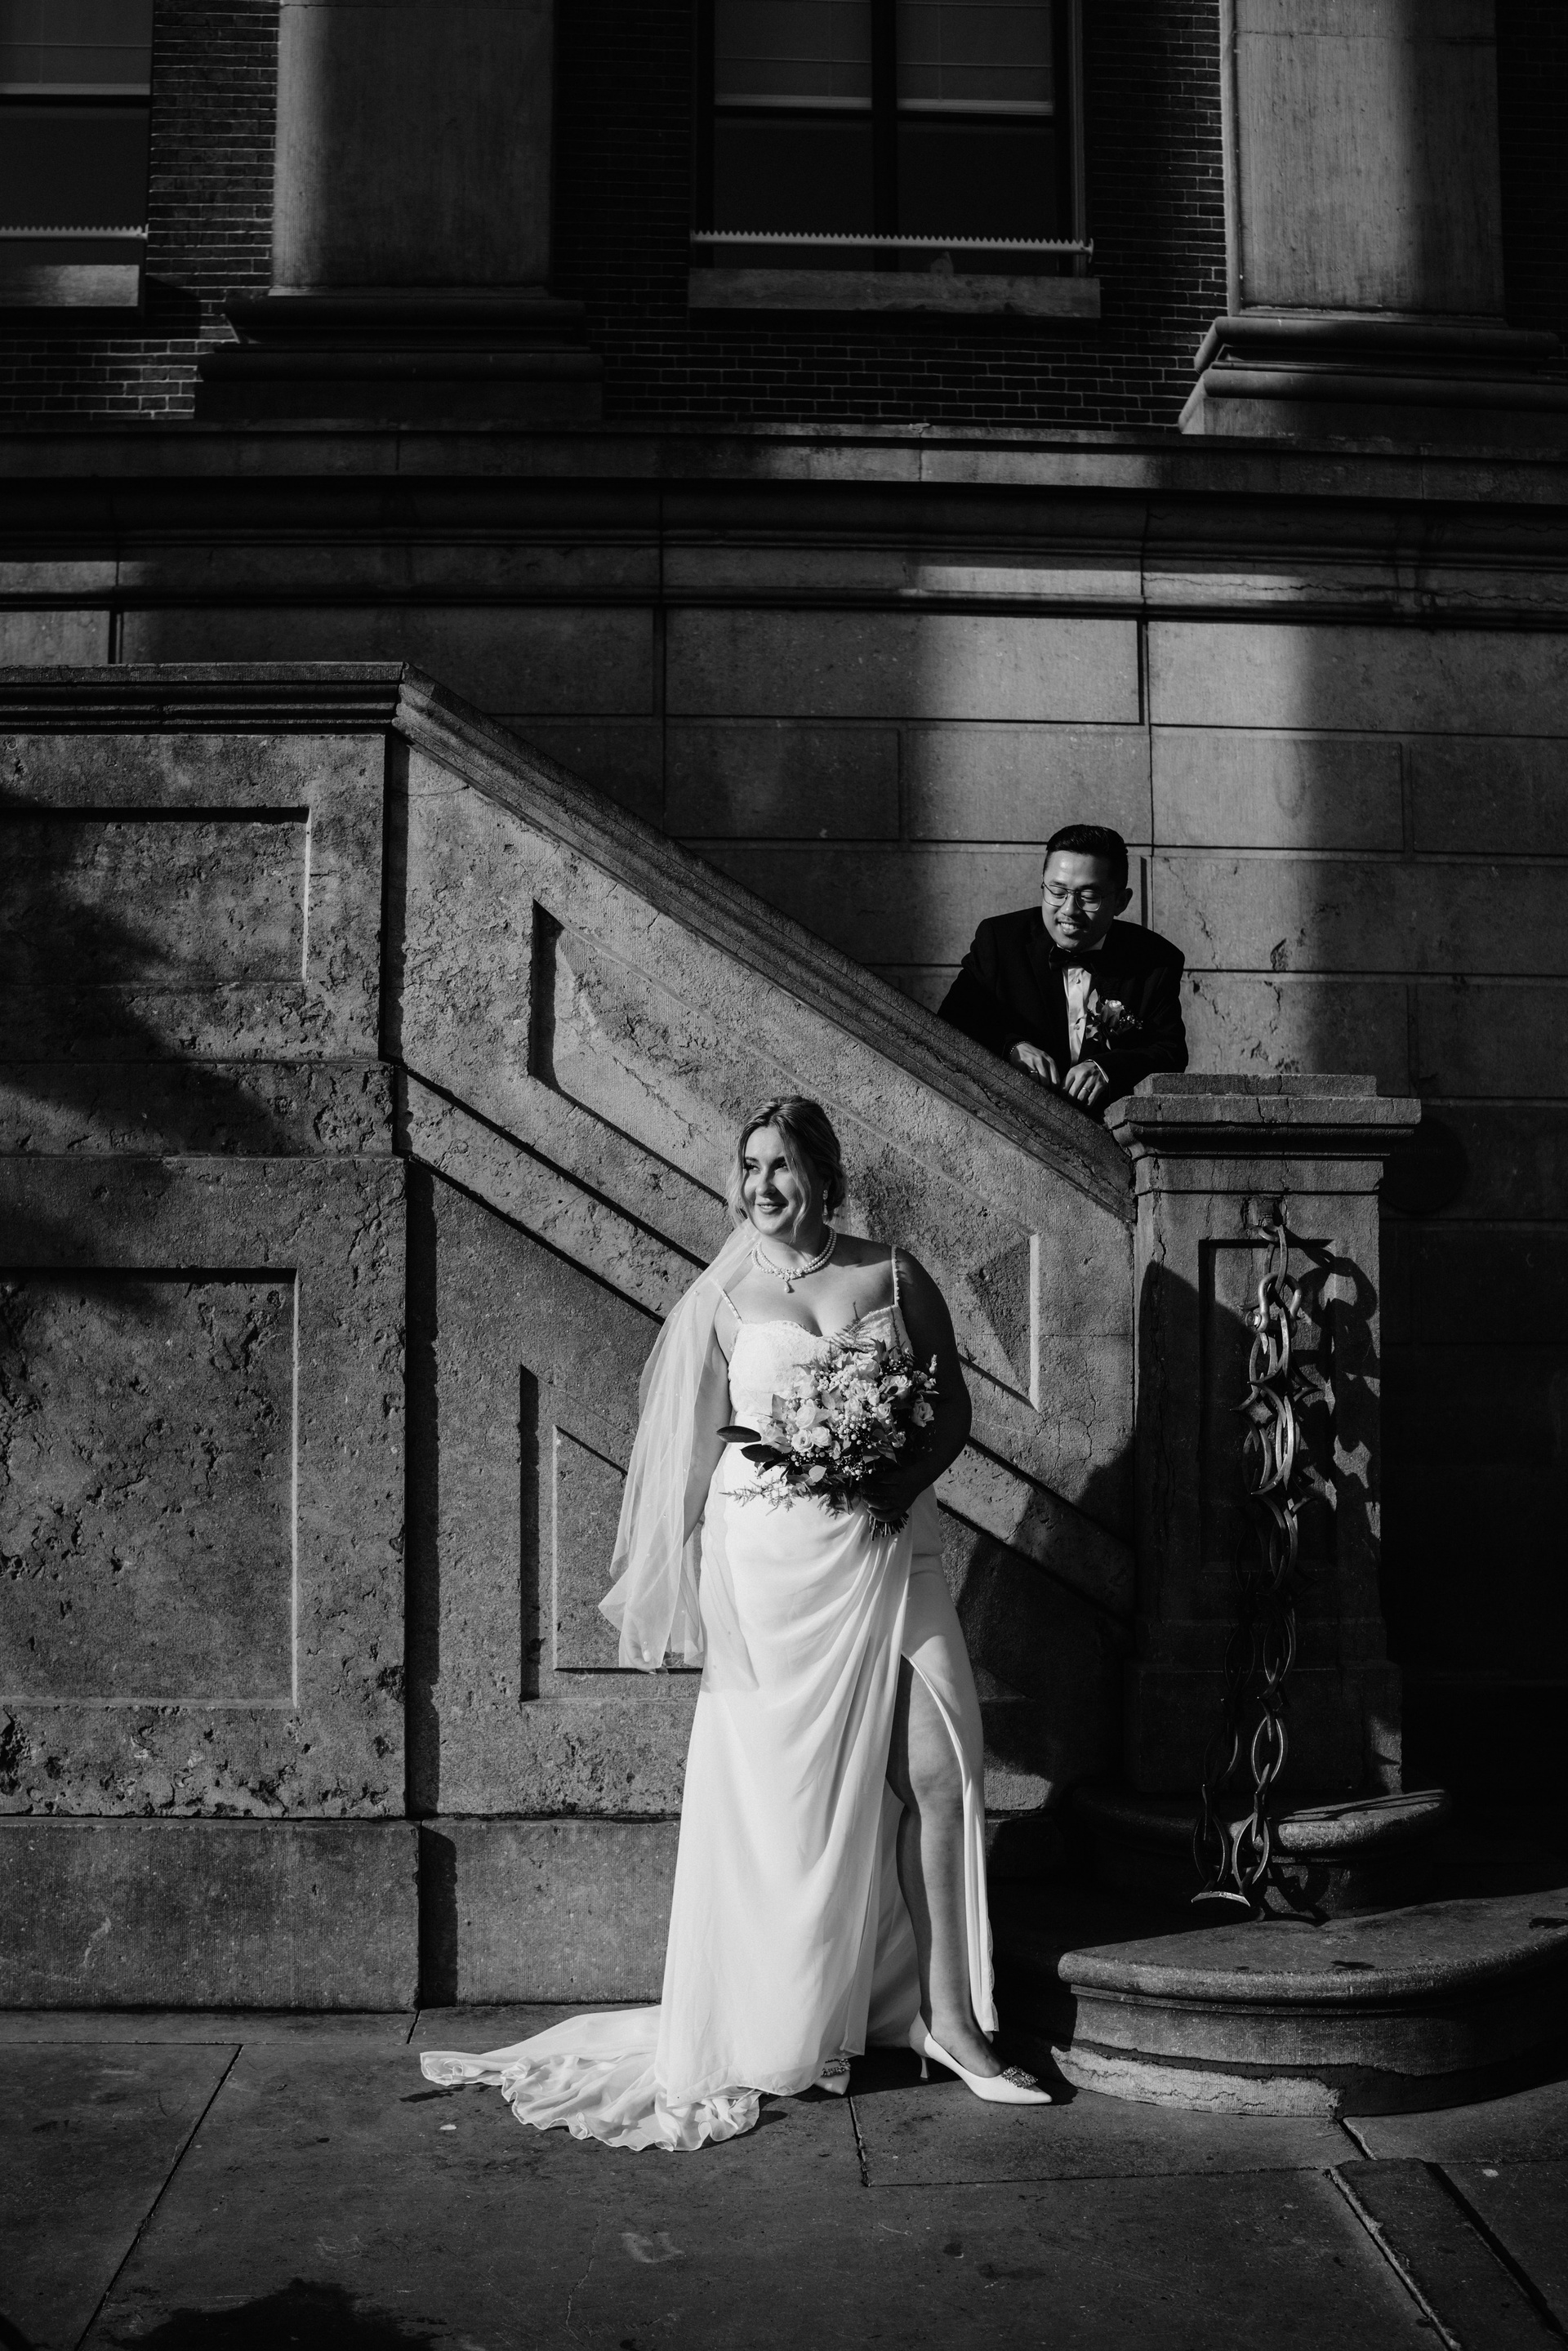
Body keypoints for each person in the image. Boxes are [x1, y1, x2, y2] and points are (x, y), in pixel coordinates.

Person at [419, 1098, 1049, 2149]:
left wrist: (892, 1479)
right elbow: (696, 1447)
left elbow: (950, 1411)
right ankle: (784, 2015)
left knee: (943, 1774)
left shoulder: (895, 1276)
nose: (762, 1184)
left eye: (783, 1165)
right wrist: (676, 1576)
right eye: (750, 1165)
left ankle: (953, 2022)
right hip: (771, 1577)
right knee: (784, 1808)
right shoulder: (722, 1296)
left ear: (825, 1175)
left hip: (895, 1551)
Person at [939, 823, 1187, 1116]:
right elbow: (951, 1023)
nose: (1069, 909)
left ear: (1121, 901)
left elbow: (1170, 1051)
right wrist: (1012, 1047)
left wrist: (1107, 1069)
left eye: (1089, 897)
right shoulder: (999, 940)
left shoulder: (1155, 959)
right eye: (1057, 892)